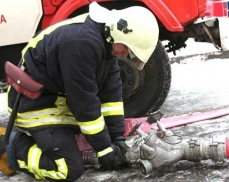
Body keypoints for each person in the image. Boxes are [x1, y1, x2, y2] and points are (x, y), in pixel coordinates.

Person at [0, 2, 159, 181]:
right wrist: (104, 149)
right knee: (67, 168)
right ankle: (11, 146)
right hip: (35, 104)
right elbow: (83, 103)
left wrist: (117, 138)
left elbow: (111, 96)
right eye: (128, 49)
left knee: (94, 135)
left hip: (58, 99)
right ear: (121, 31)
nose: (126, 55)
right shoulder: (81, 43)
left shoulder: (107, 45)